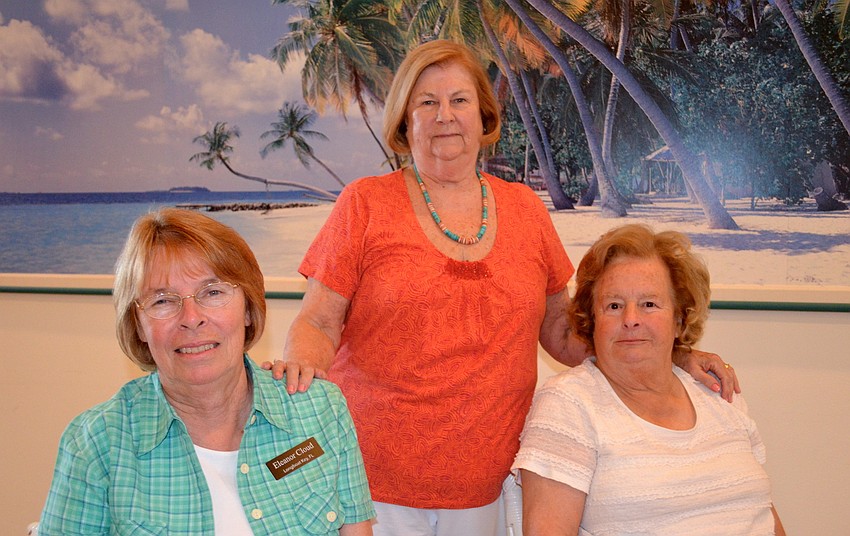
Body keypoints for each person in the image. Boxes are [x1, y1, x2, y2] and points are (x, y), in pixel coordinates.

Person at [269, 40, 738, 536]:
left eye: (459, 100)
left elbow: (564, 331)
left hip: (491, 485)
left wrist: (676, 357)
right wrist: (301, 375)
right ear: (405, 121)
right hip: (369, 482)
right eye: (426, 102)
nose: (444, 115)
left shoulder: (526, 211)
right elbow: (319, 321)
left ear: (484, 115)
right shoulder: (364, 203)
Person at [38, 208, 374, 535]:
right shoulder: (98, 443)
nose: (191, 317)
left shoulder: (320, 409)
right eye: (163, 301)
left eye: (212, 292)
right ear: (138, 325)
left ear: (247, 307)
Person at [513, 223, 785, 535]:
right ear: (592, 320)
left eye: (649, 304)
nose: (631, 320)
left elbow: (762, 513)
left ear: (679, 318)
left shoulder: (716, 392)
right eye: (614, 306)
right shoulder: (568, 404)